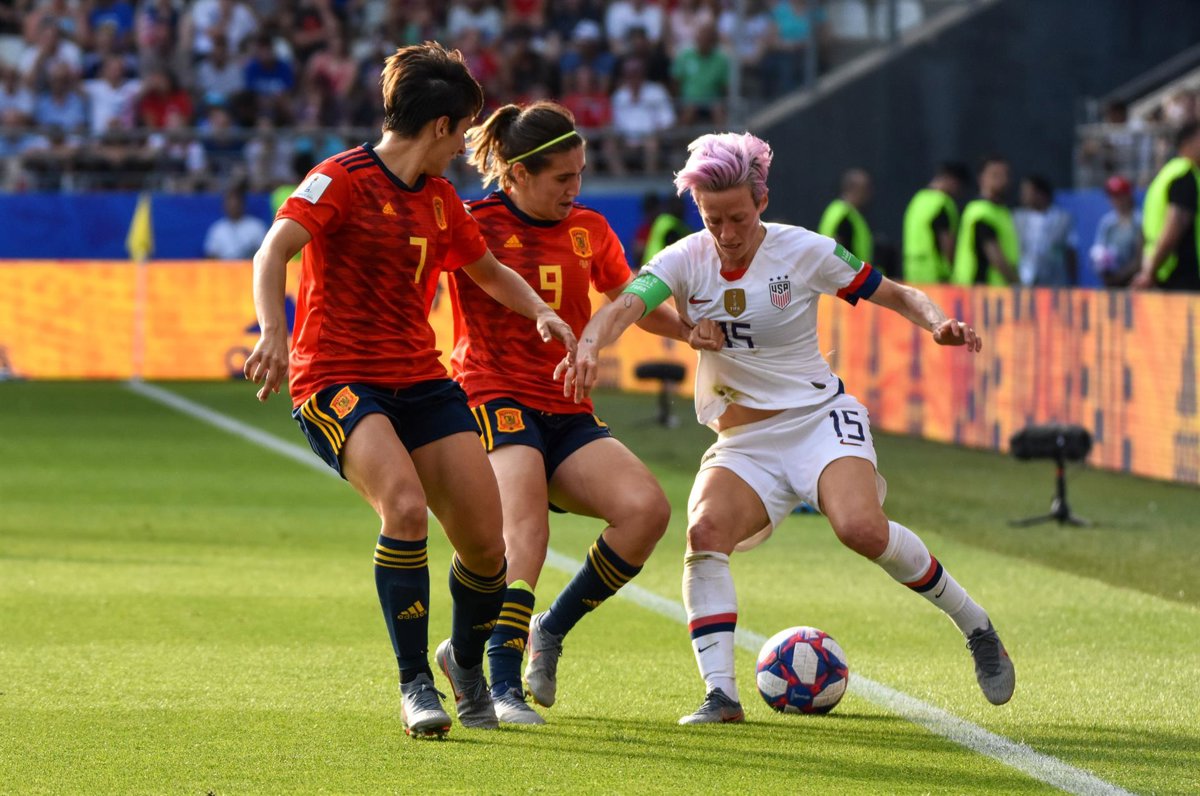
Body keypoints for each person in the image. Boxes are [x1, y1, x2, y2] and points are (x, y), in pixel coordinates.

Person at [563, 132, 1015, 724]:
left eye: (739, 218)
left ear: (763, 200)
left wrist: (938, 323)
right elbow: (627, 306)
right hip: (743, 441)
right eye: (713, 219)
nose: (727, 233)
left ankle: (976, 625)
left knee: (859, 527)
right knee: (704, 532)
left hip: (818, 420)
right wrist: (590, 344)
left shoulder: (805, 251)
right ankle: (721, 696)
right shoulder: (683, 258)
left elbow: (898, 294)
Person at [243, 42, 576, 740]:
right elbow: (273, 249)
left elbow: (488, 272)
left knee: (487, 547)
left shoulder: (441, 200)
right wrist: (274, 331)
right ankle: (414, 682)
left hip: (421, 380)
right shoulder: (339, 178)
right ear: (440, 126)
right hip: (335, 378)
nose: (461, 150)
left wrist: (540, 311)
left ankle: (462, 661)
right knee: (403, 506)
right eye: (461, 134)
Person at [450, 100, 714, 724]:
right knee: (527, 533)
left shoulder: (589, 228)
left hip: (565, 406)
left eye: (580, 174)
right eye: (561, 178)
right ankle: (501, 682)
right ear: (517, 174)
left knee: (645, 511)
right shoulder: (472, 223)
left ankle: (549, 628)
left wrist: (688, 331)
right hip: (493, 394)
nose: (575, 188)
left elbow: (628, 301)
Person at [1133, 121, 1200, 290]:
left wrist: (1148, 269)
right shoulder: (1185, 176)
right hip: (1182, 276)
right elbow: (1174, 226)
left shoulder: (1166, 174)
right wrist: (1149, 272)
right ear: (1187, 142)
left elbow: (1147, 232)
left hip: (1163, 273)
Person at [952, 156, 1020, 285]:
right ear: (981, 178)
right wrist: (1016, 283)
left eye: (1005, 175)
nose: (1001, 180)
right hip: (979, 288)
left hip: (997, 289)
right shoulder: (980, 212)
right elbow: (995, 255)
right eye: (995, 175)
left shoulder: (1001, 211)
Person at [902, 161, 968, 284]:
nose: (958, 192)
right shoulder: (942, 203)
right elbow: (947, 244)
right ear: (952, 180)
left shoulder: (918, 199)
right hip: (937, 275)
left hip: (912, 273)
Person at [1013, 174, 1077, 286]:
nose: (1023, 196)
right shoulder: (1017, 218)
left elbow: (1070, 250)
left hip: (1054, 282)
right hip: (1024, 281)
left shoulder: (1063, 219)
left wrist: (1073, 280)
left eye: (1027, 192)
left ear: (1040, 194)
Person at [1090, 175, 1142, 288]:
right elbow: (1100, 251)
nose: (1116, 200)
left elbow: (1140, 258)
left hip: (1135, 284)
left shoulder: (1140, 221)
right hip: (1111, 284)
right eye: (1112, 196)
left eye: (1119, 195)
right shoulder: (1107, 223)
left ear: (1128, 195)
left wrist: (1120, 277)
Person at [818, 167, 873, 263]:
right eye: (866, 189)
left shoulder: (841, 211)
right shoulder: (844, 215)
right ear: (855, 189)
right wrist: (860, 269)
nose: (869, 193)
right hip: (844, 272)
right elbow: (837, 251)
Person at [204, 188, 268, 260]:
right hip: (224, 266)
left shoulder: (256, 226)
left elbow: (265, 253)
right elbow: (211, 255)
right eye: (230, 203)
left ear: (242, 204)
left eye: (236, 202)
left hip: (249, 265)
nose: (233, 206)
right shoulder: (217, 229)